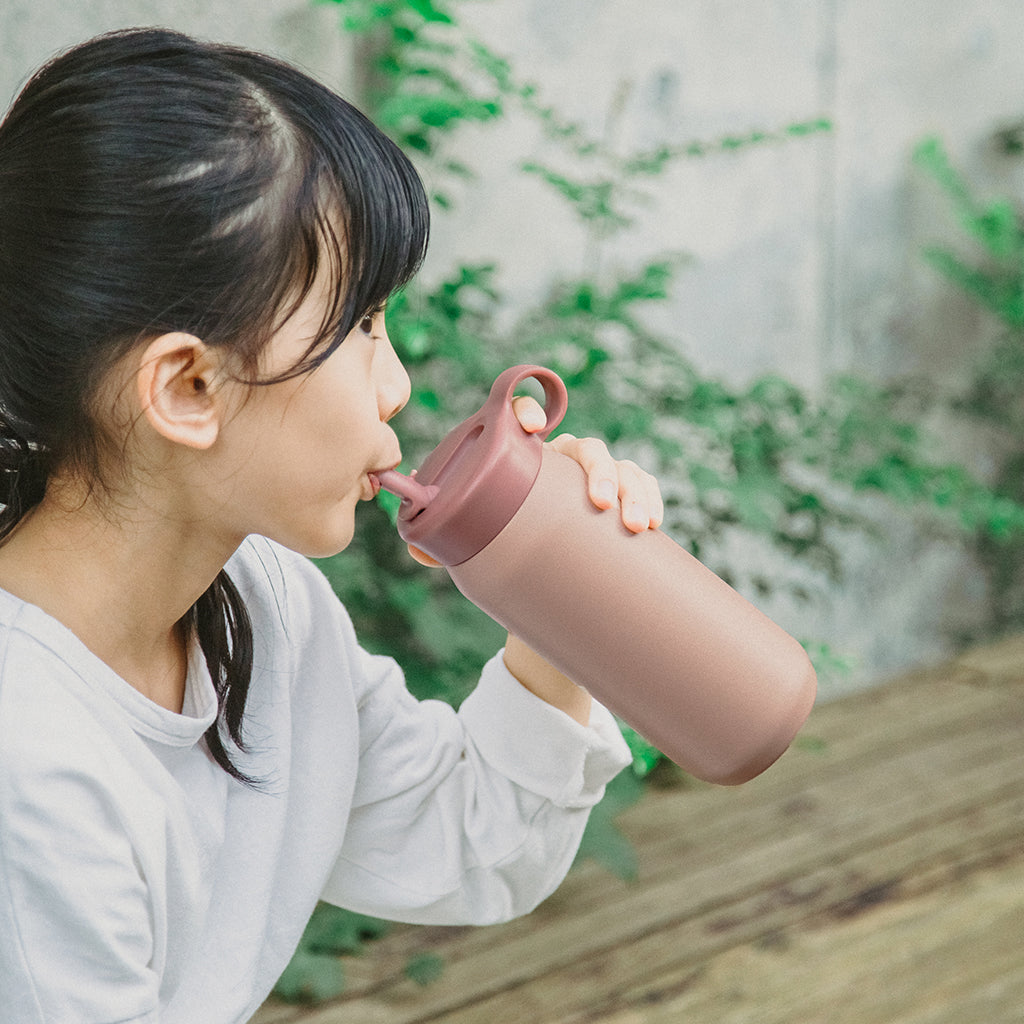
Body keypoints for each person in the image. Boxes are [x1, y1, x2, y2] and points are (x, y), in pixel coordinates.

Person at [0, 28, 666, 1023]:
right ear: (187, 388)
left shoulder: (265, 601)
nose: (396, 386)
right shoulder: (28, 759)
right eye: (360, 325)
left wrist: (557, 602)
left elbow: (463, 838)